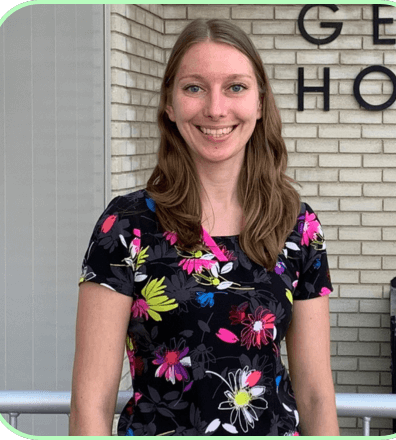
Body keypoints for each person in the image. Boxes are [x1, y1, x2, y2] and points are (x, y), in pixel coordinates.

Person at [69, 19, 339, 436]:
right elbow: (91, 401)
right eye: (194, 87)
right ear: (170, 105)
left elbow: (316, 393)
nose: (216, 109)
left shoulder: (297, 224)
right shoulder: (125, 226)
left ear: (261, 103)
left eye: (235, 87)